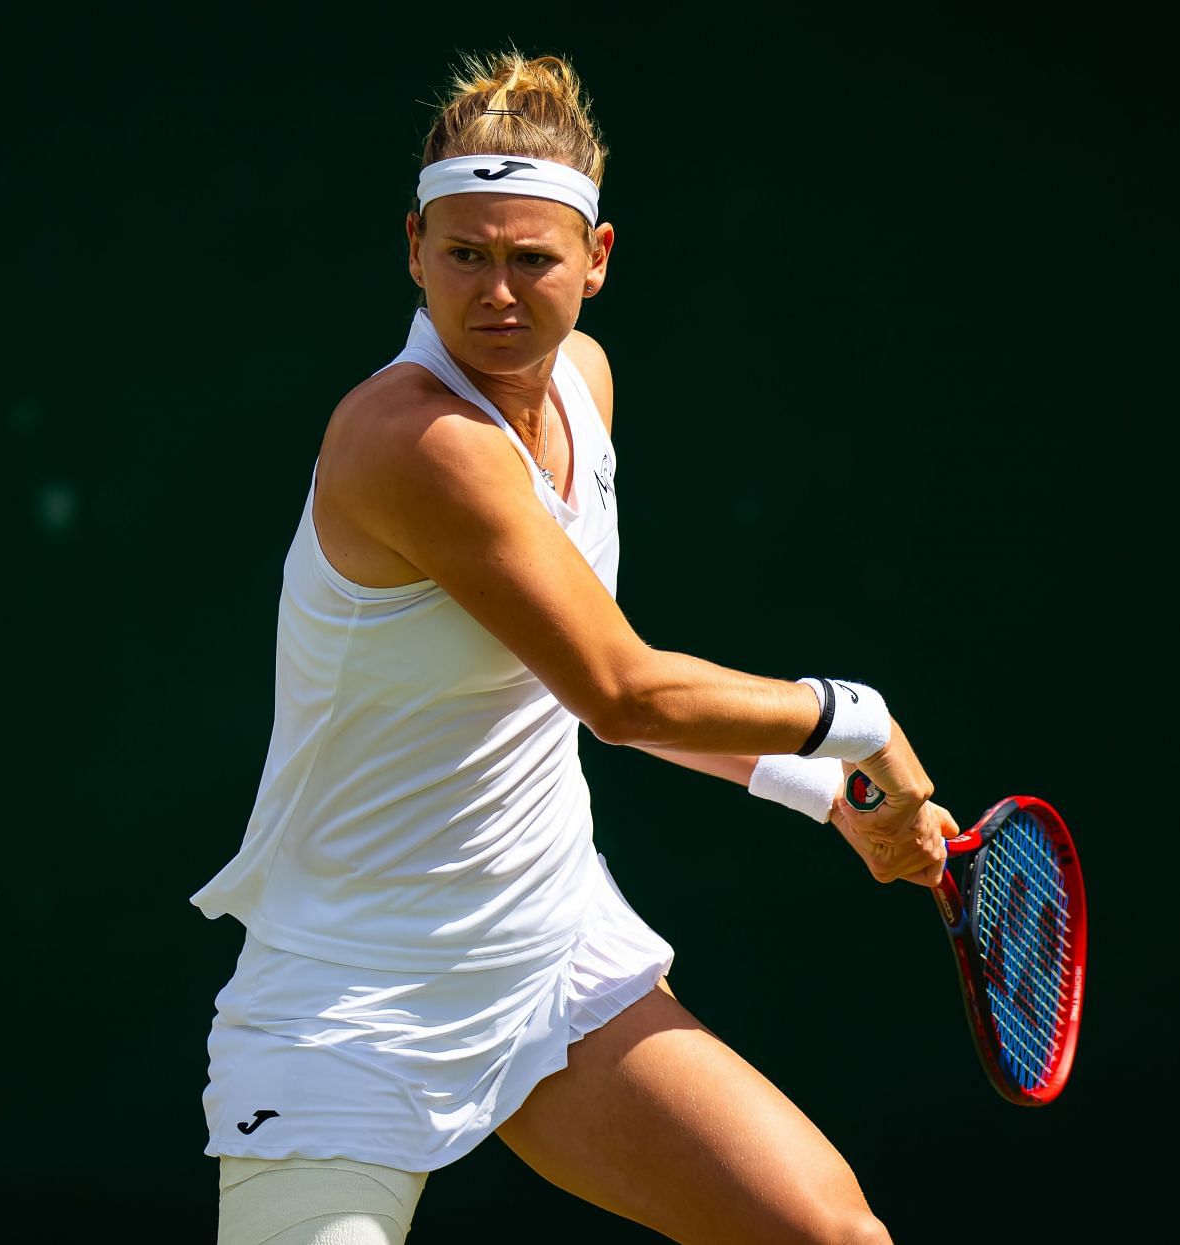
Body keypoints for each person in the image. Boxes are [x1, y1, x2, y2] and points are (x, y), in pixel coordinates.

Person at [190, 49, 959, 1245]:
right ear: (413, 250)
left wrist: (824, 795)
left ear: (595, 262)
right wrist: (861, 728)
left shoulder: (584, 389)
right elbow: (623, 695)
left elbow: (569, 687)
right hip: (348, 1010)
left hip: (550, 961)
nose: (496, 292)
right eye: (464, 255)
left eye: (531, 259)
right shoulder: (415, 441)